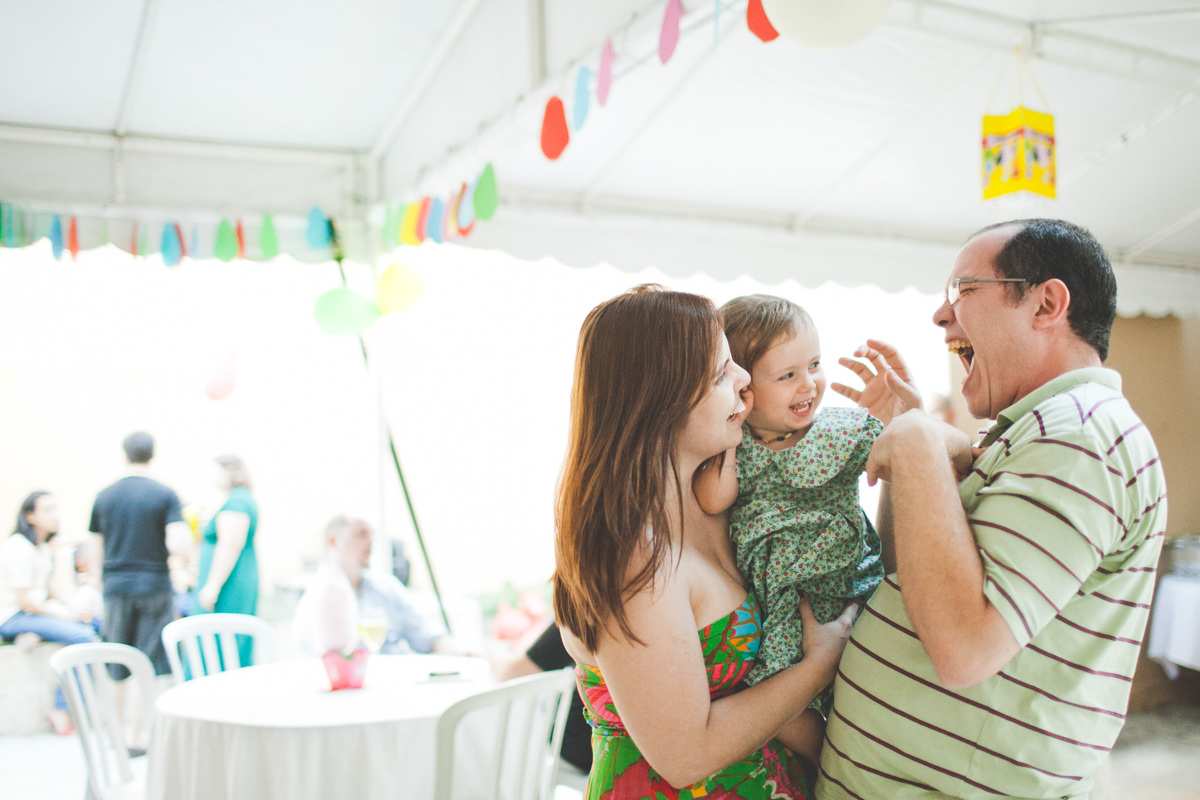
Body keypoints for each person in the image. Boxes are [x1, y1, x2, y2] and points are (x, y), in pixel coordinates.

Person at [817, 219, 1169, 799]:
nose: (939, 315)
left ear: (1047, 303)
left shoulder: (1079, 434)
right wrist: (919, 450)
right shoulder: (1036, 432)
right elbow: (910, 583)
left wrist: (918, 441)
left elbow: (963, 648)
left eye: (962, 291)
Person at [553, 284, 859, 800]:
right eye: (722, 372)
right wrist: (820, 665)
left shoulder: (716, 499)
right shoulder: (635, 555)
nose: (744, 381)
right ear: (660, 400)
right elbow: (683, 756)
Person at [691, 295, 914, 762]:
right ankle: (827, 775)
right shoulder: (738, 446)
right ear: (744, 388)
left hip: (848, 582)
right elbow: (714, 499)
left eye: (814, 365)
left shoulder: (842, 430)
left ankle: (859, 771)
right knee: (774, 689)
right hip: (779, 601)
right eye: (787, 375)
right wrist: (734, 425)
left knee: (875, 692)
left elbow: (901, 463)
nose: (809, 384)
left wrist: (902, 422)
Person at [89, 432, 192, 681]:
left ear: (125, 454)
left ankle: (122, 720)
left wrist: (98, 581)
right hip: (154, 585)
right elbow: (178, 543)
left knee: (117, 662)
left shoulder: (104, 496)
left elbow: (95, 544)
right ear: (152, 454)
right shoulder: (165, 494)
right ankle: (144, 720)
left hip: (116, 586)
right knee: (151, 664)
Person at [292, 515, 464, 656]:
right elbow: (318, 659)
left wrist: (457, 651)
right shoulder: (318, 596)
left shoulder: (386, 587)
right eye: (361, 535)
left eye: (371, 535)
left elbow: (425, 635)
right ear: (333, 541)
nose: (370, 541)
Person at [0, 491, 99, 734]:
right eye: (47, 510)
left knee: (94, 622)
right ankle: (61, 708)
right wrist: (65, 616)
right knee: (83, 636)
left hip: (35, 613)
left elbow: (50, 587)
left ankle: (36, 635)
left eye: (55, 509)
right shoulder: (18, 547)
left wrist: (73, 609)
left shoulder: (42, 546)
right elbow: (25, 601)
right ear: (30, 515)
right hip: (14, 616)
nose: (54, 516)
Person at [494, 622, 592, 775]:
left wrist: (494, 649)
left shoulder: (586, 605)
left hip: (579, 748)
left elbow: (513, 674)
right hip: (614, 745)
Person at [195, 455, 260, 665]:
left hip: (229, 585)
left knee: (221, 644)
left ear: (230, 470)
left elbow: (231, 544)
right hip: (232, 580)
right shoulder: (237, 498)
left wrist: (212, 586)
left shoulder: (237, 501)